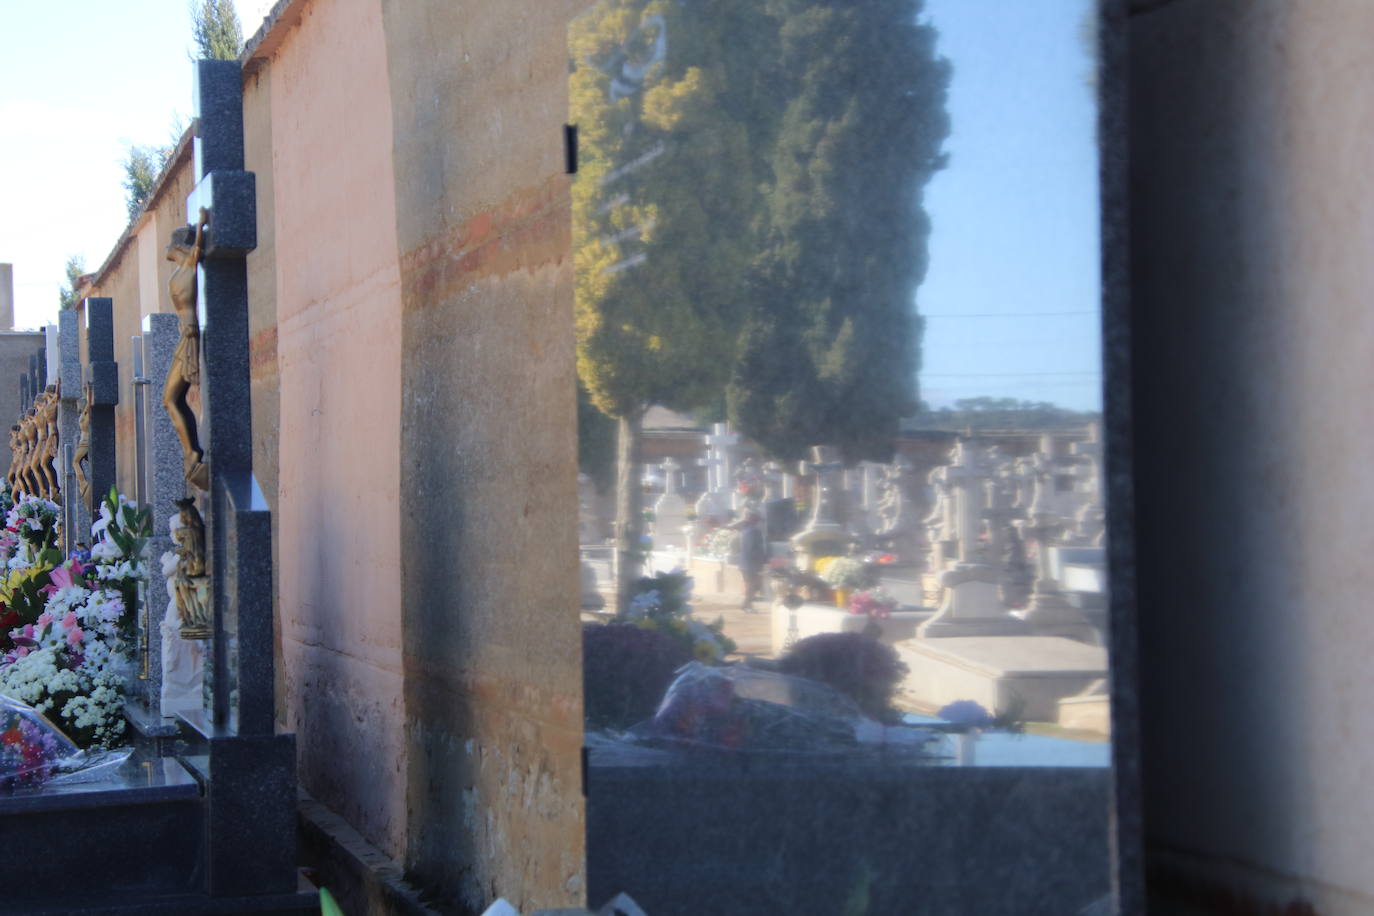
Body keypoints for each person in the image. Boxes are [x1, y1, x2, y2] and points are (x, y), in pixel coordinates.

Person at [735, 508, 766, 612]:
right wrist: (761, 561)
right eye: (757, 519)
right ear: (754, 520)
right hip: (751, 563)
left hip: (745, 563)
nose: (759, 522)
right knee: (753, 585)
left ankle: (747, 604)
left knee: (752, 585)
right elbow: (754, 548)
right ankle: (746, 605)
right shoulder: (754, 531)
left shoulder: (745, 530)